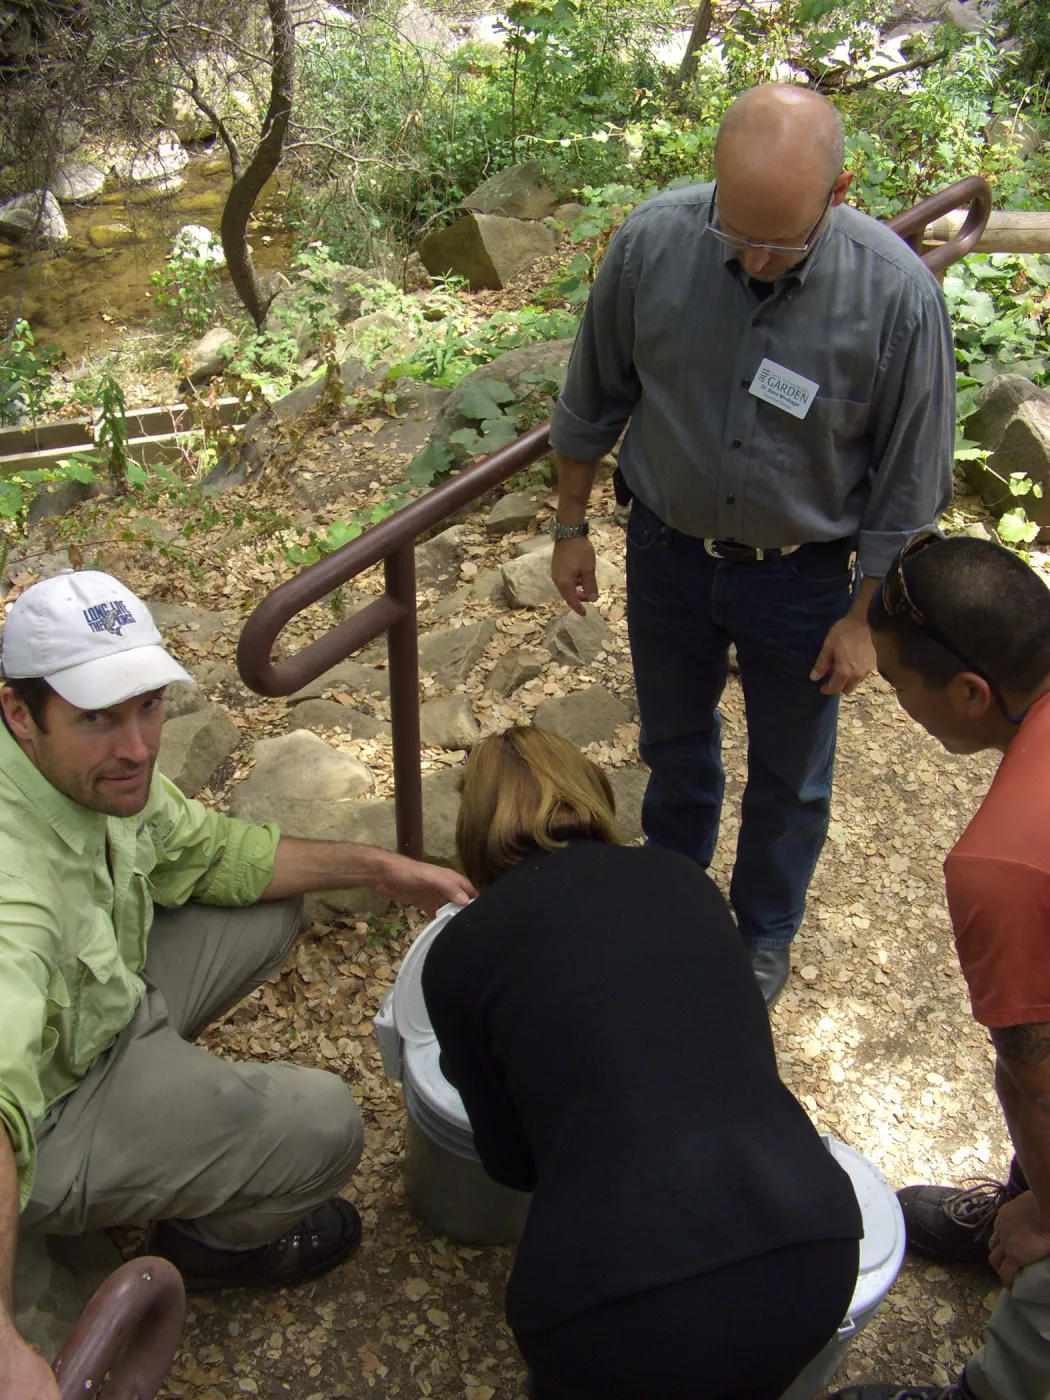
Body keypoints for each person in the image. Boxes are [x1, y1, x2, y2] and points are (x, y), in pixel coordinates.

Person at [0, 571, 474, 1400]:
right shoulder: (14, 889)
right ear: (19, 715)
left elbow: (217, 852)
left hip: (98, 1006)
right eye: (97, 719)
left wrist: (382, 867)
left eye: (146, 704)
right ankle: (205, 1251)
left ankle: (161, 1136)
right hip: (49, 1105)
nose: (138, 747)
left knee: (268, 906)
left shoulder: (90, 777)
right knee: (325, 1126)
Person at [547, 82, 955, 1006]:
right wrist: (572, 528)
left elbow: (909, 483)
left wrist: (865, 617)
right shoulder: (655, 243)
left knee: (790, 776)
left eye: (784, 240)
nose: (758, 259)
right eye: (739, 233)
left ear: (840, 191)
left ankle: (764, 933)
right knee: (676, 741)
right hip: (667, 554)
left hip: (804, 581)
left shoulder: (894, 295)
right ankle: (675, 898)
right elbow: (590, 399)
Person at [421, 725, 863, 1400]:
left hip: (615, 1311)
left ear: (474, 825)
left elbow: (511, 1165)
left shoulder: (461, 951)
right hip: (814, 1247)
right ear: (593, 795)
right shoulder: (683, 879)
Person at [829, 533, 1050, 1400]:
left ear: (969, 691)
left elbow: (1039, 1086)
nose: (895, 701)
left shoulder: (1004, 865)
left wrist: (1047, 1220)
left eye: (896, 684)